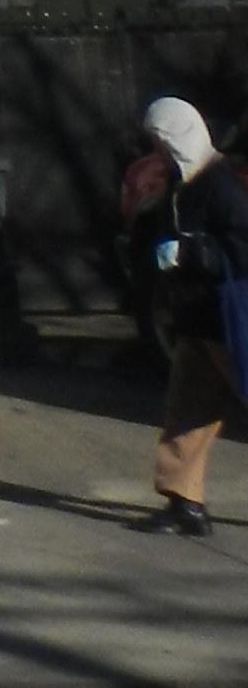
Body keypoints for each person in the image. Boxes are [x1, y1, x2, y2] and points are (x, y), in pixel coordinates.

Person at [130, 97, 248, 535]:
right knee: (187, 409)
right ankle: (185, 504)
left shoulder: (220, 187)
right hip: (197, 320)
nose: (157, 153)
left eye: (161, 143)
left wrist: (194, 253)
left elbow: (242, 249)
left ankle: (186, 505)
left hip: (228, 320)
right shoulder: (185, 184)